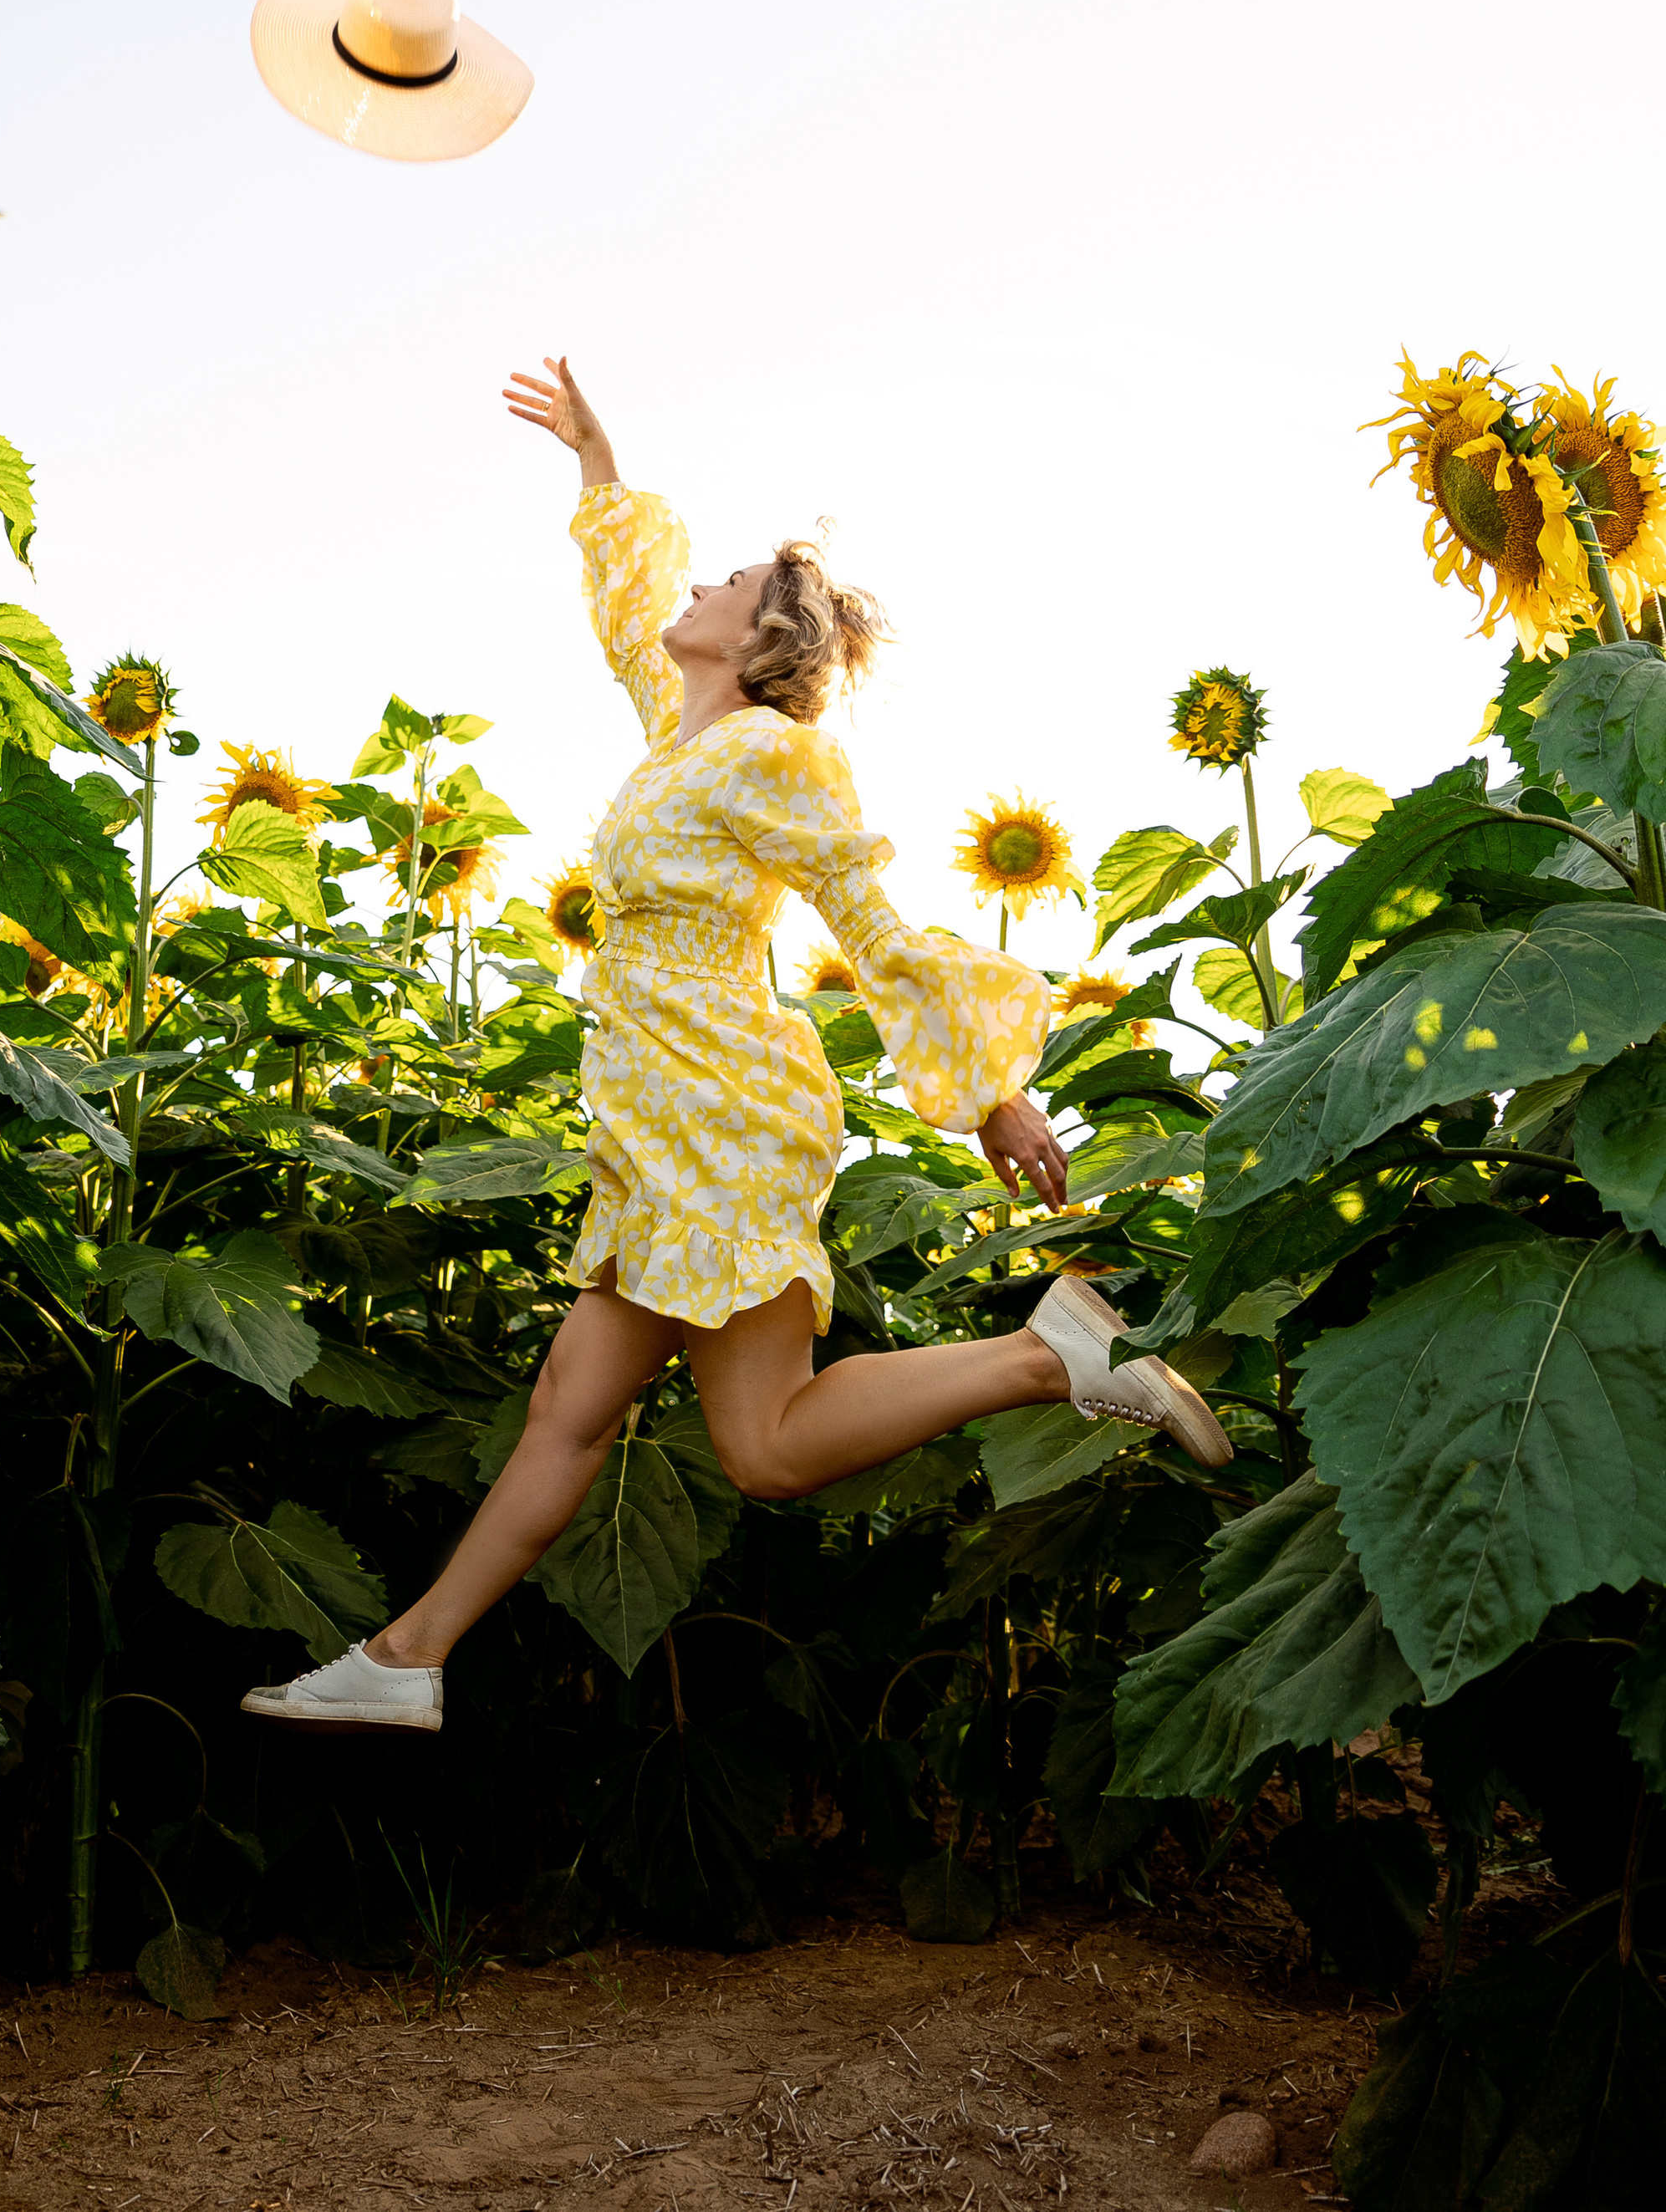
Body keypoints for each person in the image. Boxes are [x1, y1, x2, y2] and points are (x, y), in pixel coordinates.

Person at [244, 358, 1228, 1734]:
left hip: (720, 1113)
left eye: (725, 581)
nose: (695, 583)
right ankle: (409, 1657)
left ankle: (1047, 1354)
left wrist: (993, 1089)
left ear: (761, 641)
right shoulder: (680, 739)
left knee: (747, 1442)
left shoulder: (776, 753)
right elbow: (627, 604)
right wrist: (594, 455)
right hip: (661, 1125)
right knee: (584, 1411)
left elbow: (868, 916)